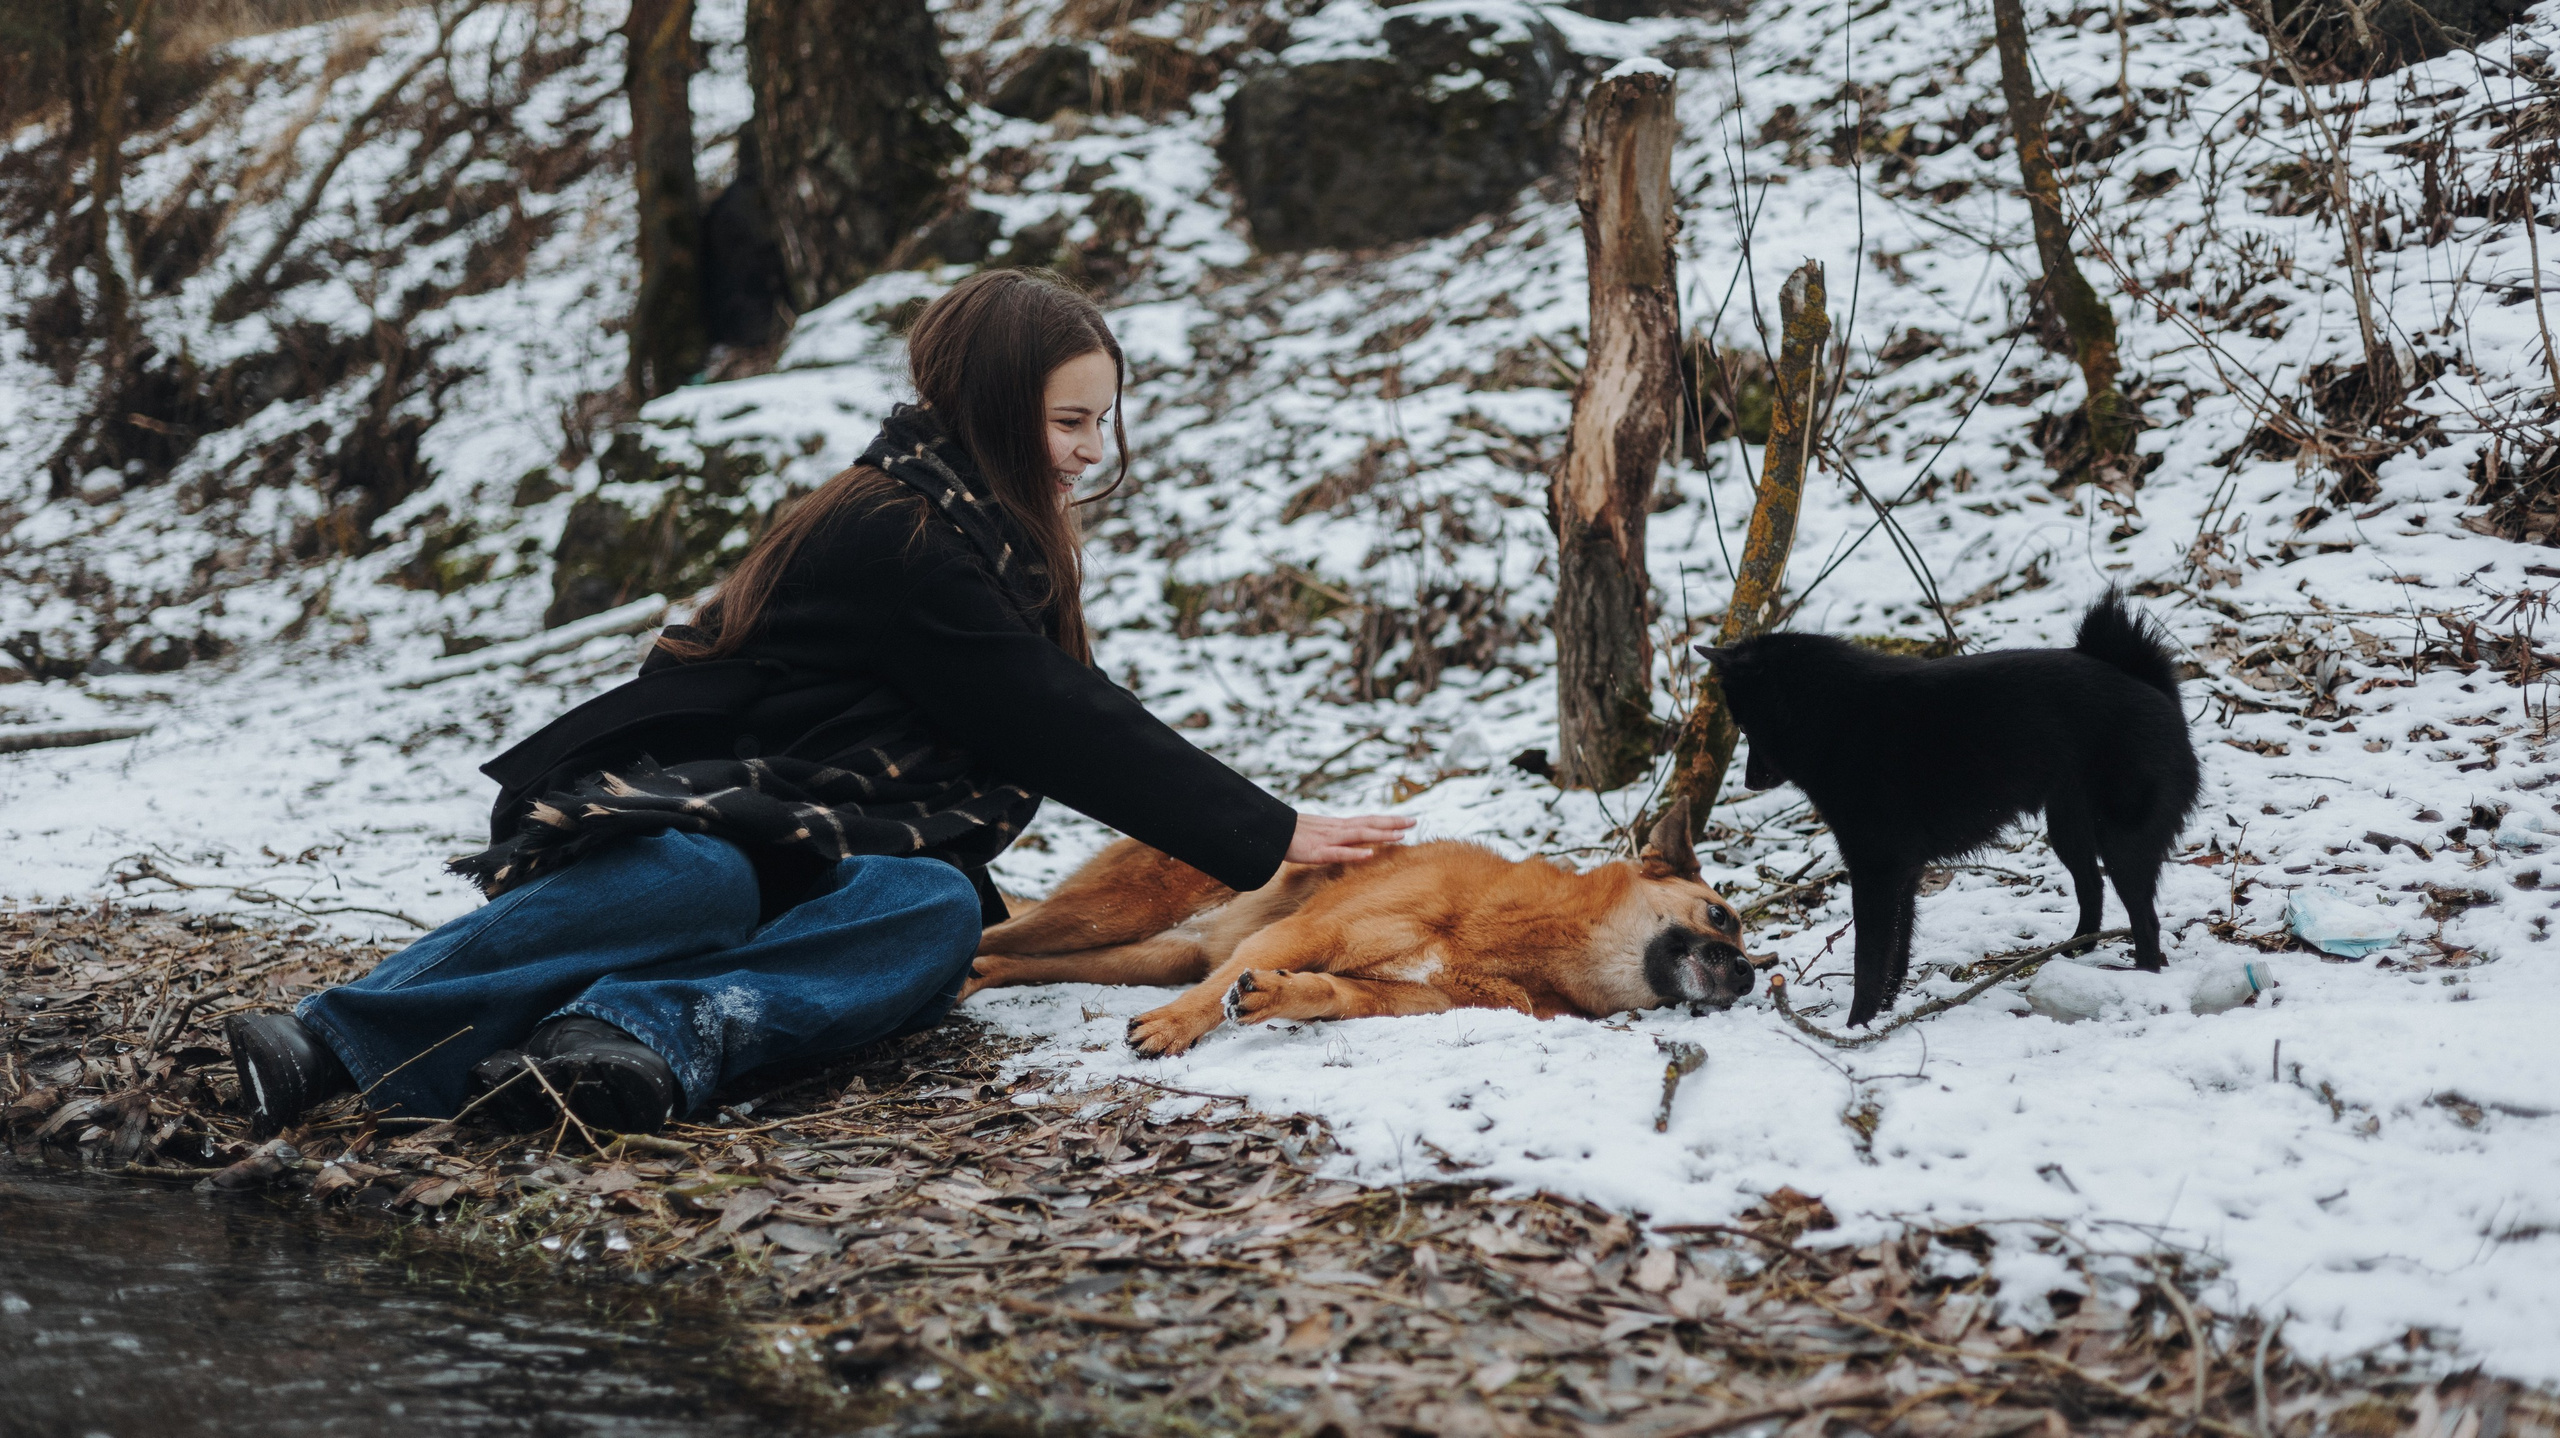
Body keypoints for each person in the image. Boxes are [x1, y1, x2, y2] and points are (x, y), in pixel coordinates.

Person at [224, 269, 1412, 1137]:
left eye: (1101, 418)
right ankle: (337, 1036)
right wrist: (1268, 830)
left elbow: (1050, 701)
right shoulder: (895, 528)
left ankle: (626, 1041)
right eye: (1068, 420)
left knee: (934, 910)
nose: (1093, 448)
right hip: (706, 810)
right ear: (994, 408)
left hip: (848, 843)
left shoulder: (991, 533)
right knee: (707, 879)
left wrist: (1253, 831)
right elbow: (1044, 711)